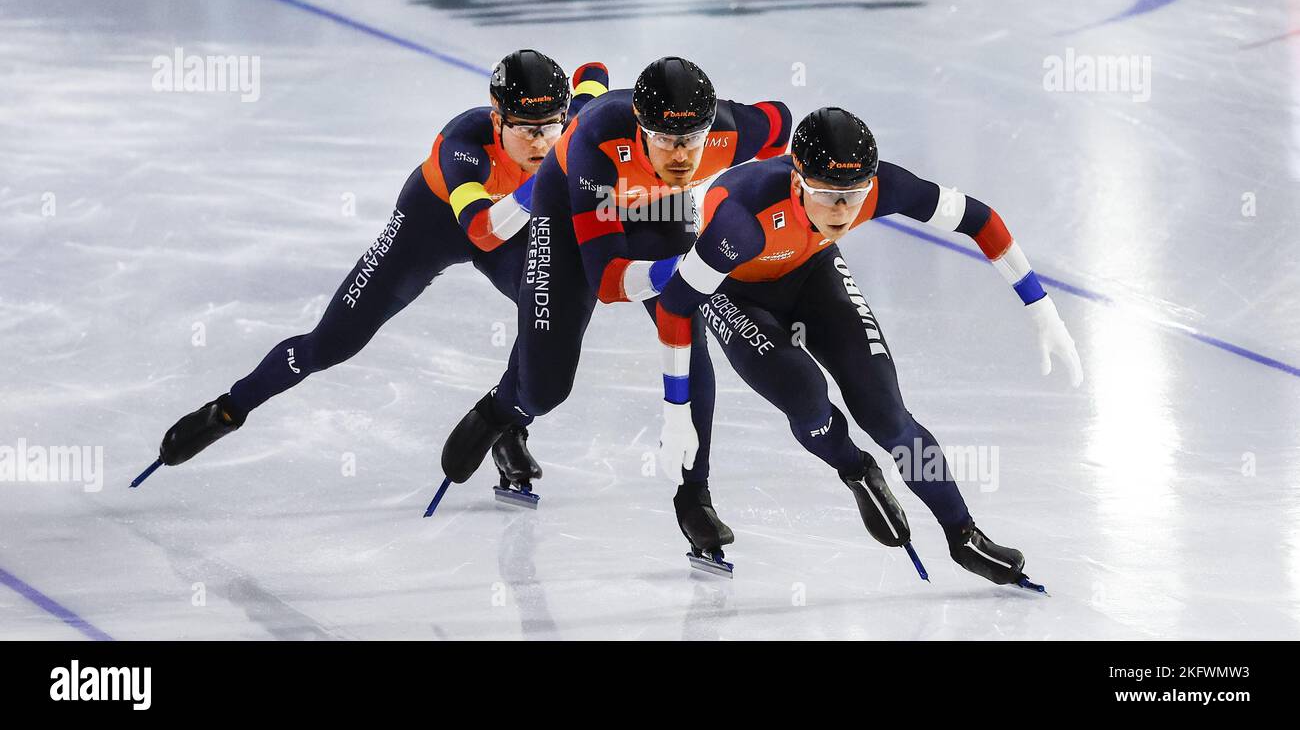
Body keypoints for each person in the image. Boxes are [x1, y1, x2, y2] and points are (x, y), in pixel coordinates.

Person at [651, 106, 1083, 585]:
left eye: (853, 196)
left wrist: (1042, 309)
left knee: (888, 416)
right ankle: (856, 469)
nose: (842, 211)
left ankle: (964, 535)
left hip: (812, 274)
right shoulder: (739, 221)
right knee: (807, 400)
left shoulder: (882, 188)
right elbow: (674, 307)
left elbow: (980, 219)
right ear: (797, 183)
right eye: (827, 196)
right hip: (733, 291)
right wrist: (676, 410)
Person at [147, 50, 610, 475]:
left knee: (550, 304)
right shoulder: (462, 144)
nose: (543, 142)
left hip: (512, 223)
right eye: (527, 129)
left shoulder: (565, 124)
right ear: (496, 118)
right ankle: (227, 409)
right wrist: (544, 182)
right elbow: (482, 231)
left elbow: (594, 75)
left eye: (553, 126)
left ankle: (507, 421)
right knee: (330, 344)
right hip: (436, 224)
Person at [437, 56, 791, 557]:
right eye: (665, 140)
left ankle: (695, 496)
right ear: (641, 129)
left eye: (692, 139)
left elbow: (782, 123)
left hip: (660, 208)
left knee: (689, 341)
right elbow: (607, 281)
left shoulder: (731, 132)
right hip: (573, 210)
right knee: (546, 390)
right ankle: (502, 413)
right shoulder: (596, 138)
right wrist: (687, 267)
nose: (681, 155)